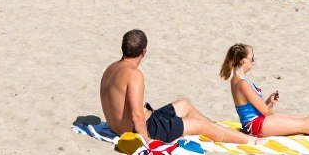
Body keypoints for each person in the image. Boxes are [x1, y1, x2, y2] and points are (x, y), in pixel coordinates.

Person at [101, 29, 258, 147]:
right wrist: (148, 143)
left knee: (185, 104)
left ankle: (218, 128)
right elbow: (136, 115)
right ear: (144, 51)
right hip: (148, 130)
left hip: (124, 126)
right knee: (200, 126)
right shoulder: (134, 75)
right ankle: (250, 140)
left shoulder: (110, 69)